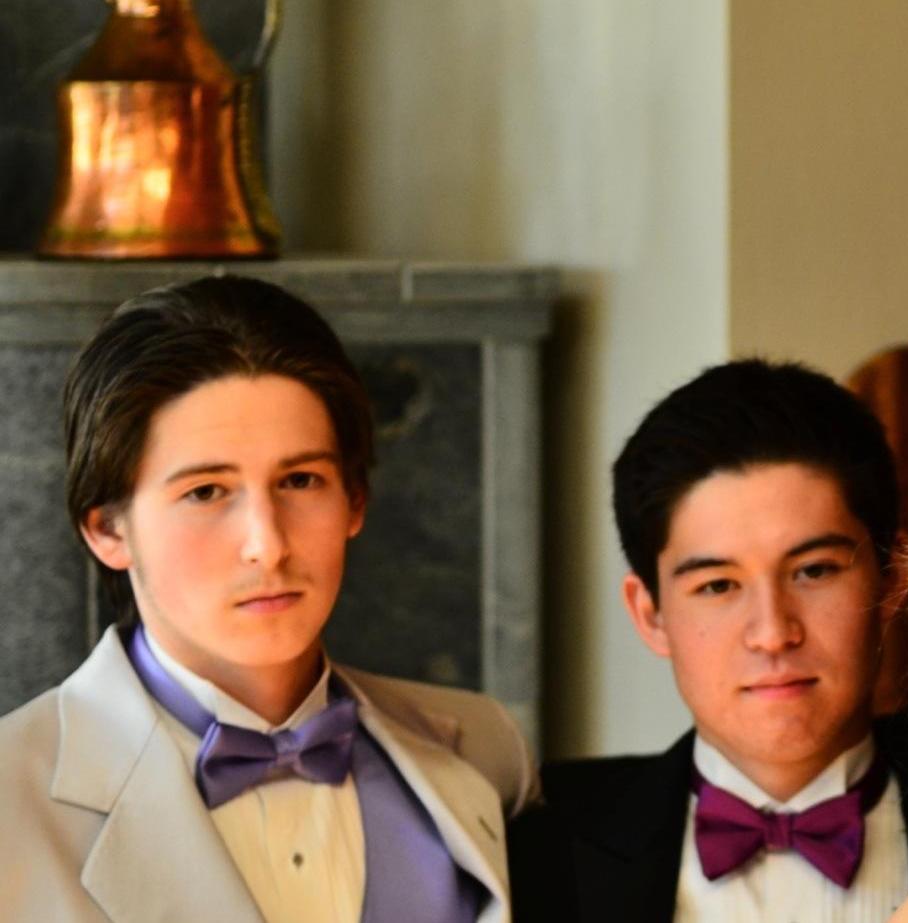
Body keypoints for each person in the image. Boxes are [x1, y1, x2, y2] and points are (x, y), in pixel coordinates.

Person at [0, 276, 537, 922]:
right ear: (107, 530)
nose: (268, 544)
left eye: (301, 480)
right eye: (206, 491)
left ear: (355, 501)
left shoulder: (484, 749)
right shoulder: (11, 797)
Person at [510, 359, 908, 923]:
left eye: (814, 571)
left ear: (893, 581)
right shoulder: (529, 845)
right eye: (718, 585)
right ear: (650, 614)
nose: (772, 633)